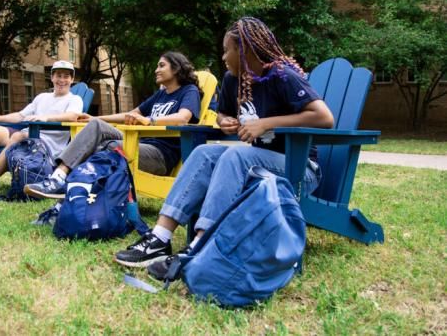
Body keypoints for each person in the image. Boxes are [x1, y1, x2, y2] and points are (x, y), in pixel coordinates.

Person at [114, 17, 334, 277]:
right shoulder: (233, 80)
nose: (222, 56)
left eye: (226, 49)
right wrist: (224, 120)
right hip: (255, 164)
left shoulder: (282, 76)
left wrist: (265, 124)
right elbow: (222, 113)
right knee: (204, 153)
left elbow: (325, 118)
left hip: (298, 169)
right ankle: (159, 238)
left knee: (235, 156)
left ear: (245, 50)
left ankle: (201, 246)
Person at [25, 51, 202, 224]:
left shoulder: (189, 91)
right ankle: (58, 177)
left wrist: (149, 121)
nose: (156, 69)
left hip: (159, 155)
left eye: (161, 65)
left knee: (107, 147)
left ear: (177, 68)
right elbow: (131, 114)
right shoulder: (161, 95)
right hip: (138, 143)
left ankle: (64, 204)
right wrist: (96, 118)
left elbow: (183, 118)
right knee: (96, 128)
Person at [0, 60, 83, 202]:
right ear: (52, 77)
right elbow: (20, 116)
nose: (62, 80)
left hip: (46, 145)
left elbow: (73, 116)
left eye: (66, 76)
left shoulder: (75, 99)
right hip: (26, 135)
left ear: (72, 80)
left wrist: (45, 117)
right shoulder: (42, 98)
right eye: (58, 75)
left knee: (18, 136)